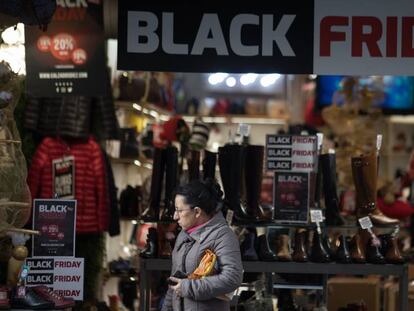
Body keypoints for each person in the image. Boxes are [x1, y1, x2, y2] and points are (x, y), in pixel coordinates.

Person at [161, 179, 243, 311]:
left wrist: (188, 287)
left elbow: (232, 278)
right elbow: (174, 283)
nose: (175, 216)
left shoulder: (223, 236)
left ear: (197, 211)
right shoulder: (183, 234)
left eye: (179, 210)